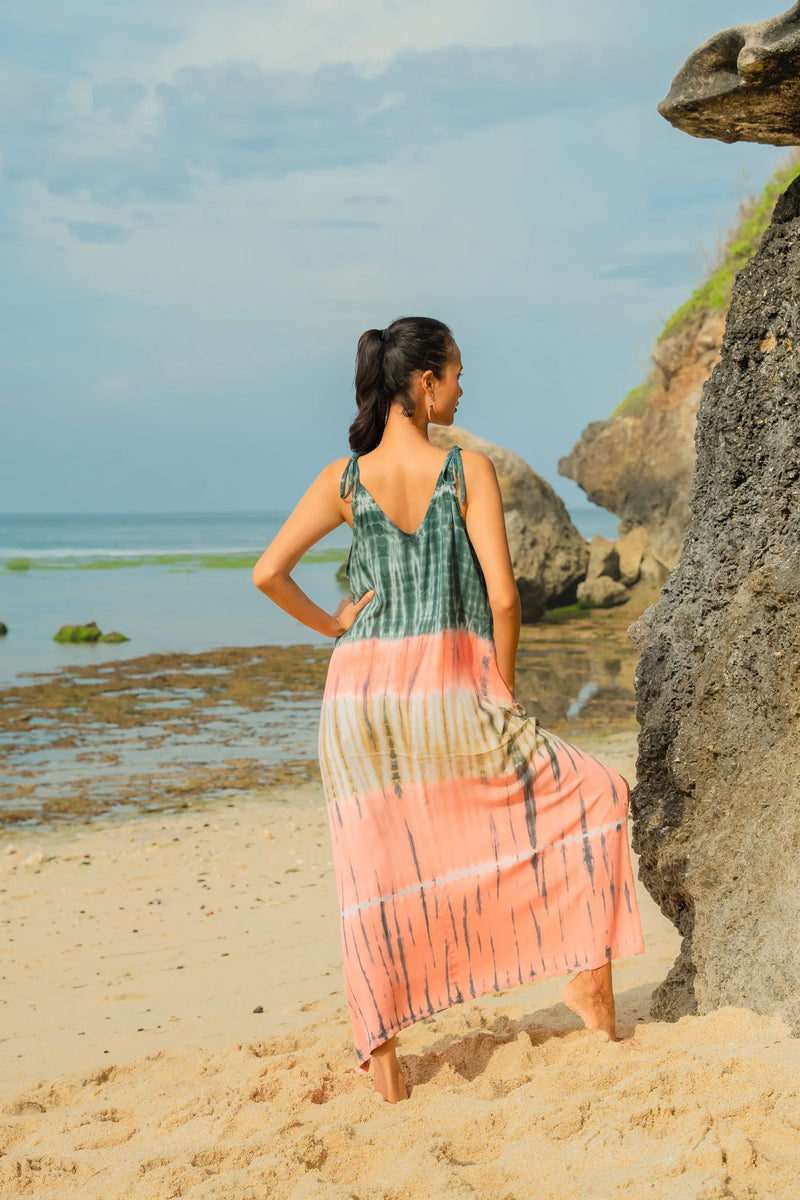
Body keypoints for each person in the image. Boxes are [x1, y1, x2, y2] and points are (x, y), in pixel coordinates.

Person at [253, 316, 645, 1104]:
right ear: (424, 382)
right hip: (445, 687)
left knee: (375, 872)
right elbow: (503, 598)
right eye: (457, 373)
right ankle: (589, 985)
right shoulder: (467, 472)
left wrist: (333, 622)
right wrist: (499, 687)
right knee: (597, 795)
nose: (465, 387)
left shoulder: (345, 478)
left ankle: (385, 1061)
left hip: (359, 697)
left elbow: (268, 573)